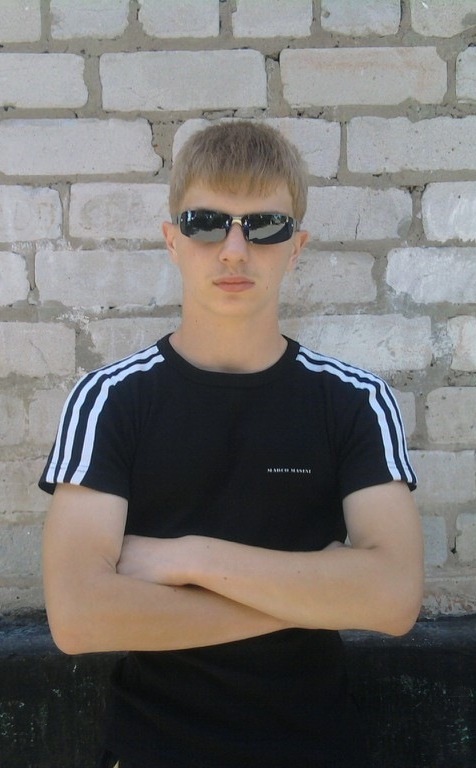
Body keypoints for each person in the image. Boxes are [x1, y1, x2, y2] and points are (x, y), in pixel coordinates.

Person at [40, 120, 424, 768]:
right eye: (207, 223)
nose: (235, 251)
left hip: (315, 751)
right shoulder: (110, 399)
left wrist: (189, 557)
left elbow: (394, 599)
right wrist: (312, 597)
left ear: (296, 247)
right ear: (173, 240)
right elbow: (79, 618)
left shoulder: (355, 400)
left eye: (265, 226)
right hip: (153, 750)